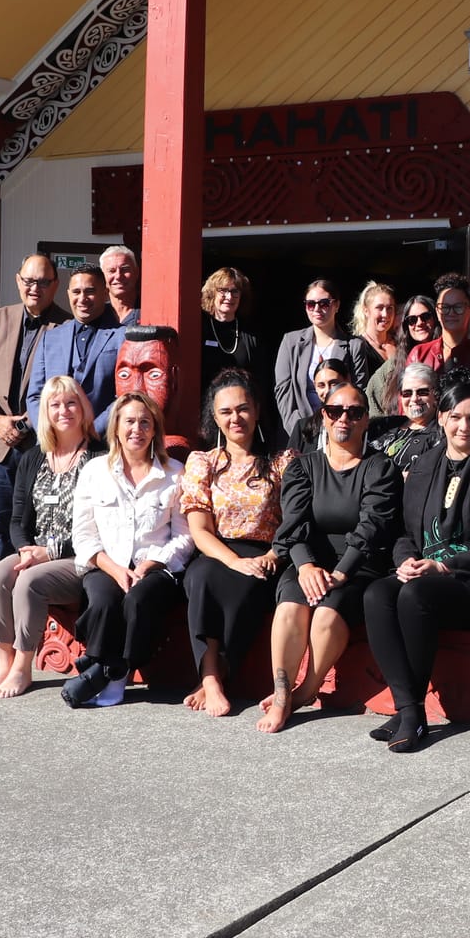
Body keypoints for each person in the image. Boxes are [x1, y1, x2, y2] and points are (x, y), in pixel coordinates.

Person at [365, 374, 470, 751]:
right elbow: (404, 532)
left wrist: (443, 566)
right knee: (376, 594)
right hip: (428, 573)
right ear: (441, 418)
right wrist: (406, 560)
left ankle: (414, 713)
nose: (463, 426)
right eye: (455, 417)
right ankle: (406, 706)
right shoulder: (424, 465)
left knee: (414, 595)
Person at [259, 382, 402, 732]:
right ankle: (281, 695)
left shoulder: (379, 468)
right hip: (309, 560)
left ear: (366, 420)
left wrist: (341, 572)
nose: (344, 419)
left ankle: (306, 689)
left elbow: (373, 525)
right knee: (291, 606)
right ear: (323, 416)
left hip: (357, 564)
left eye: (354, 413)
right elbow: (294, 523)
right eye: (335, 411)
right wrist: (306, 565)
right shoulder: (303, 467)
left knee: (325, 614)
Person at [60, 392, 193, 708]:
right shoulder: (94, 470)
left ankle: (109, 675)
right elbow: (83, 535)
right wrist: (115, 569)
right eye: (130, 421)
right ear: (116, 427)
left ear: (155, 429)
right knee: (105, 601)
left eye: (145, 422)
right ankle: (105, 667)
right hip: (107, 563)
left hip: (157, 567)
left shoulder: (175, 473)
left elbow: (186, 537)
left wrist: (153, 563)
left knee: (137, 601)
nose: (137, 429)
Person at [0, 376, 101, 697]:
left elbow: (102, 523)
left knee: (29, 582)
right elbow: (17, 519)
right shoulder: (33, 457)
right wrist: (26, 551)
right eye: (55, 404)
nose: (64, 410)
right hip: (36, 552)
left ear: (84, 408)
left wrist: (51, 552)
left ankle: (22, 667)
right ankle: (3, 663)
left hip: (84, 556)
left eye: (71, 402)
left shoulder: (100, 456)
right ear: (45, 411)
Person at [178, 369, 293, 718]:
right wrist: (233, 560)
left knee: (247, 584)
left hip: (265, 553)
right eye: (225, 412)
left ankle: (220, 672)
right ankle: (211, 678)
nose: (235, 418)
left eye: (242, 409)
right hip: (217, 550)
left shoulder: (281, 461)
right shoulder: (203, 462)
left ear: (257, 410)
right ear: (215, 418)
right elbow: (199, 529)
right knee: (201, 578)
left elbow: (294, 518)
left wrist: (274, 554)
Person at [0, 255, 68, 562]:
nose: (34, 287)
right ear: (17, 281)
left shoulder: (66, 326)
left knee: (36, 517)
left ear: (55, 285)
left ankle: (31, 588)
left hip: (41, 440)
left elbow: (66, 383)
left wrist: (25, 424)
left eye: (42, 281)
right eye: (28, 280)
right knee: (1, 519)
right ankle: (3, 587)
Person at [273, 278, 378, 446]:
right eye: (311, 304)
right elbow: (284, 391)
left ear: (336, 305)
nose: (317, 309)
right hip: (299, 431)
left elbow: (359, 391)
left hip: (340, 430)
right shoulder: (291, 342)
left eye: (324, 303)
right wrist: (299, 429)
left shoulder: (354, 346)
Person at [25, 266, 123, 435]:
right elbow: (35, 396)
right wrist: (49, 433)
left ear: (106, 293)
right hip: (54, 445)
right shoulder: (50, 338)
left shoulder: (122, 337)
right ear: (68, 294)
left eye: (90, 291)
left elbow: (123, 396)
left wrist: (92, 432)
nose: (82, 298)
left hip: (102, 445)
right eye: (76, 292)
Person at [409, 272, 470, 392]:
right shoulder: (419, 354)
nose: (451, 313)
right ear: (437, 311)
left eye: (458, 307)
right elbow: (407, 402)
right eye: (445, 307)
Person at [201, 267, 266, 405]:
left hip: (241, 407)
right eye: (223, 290)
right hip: (206, 407)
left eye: (234, 291)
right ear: (212, 293)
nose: (229, 297)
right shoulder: (201, 329)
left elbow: (260, 379)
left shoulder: (251, 334)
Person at [367, 360, 441, 469]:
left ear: (436, 395)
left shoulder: (440, 435)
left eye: (422, 392)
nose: (414, 399)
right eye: (407, 393)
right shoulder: (386, 424)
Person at [370, 293, 436, 413]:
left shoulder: (446, 357)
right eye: (412, 320)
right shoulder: (393, 365)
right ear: (406, 326)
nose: (419, 323)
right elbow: (372, 393)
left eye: (425, 316)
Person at [351, 280, 400, 374]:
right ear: (366, 311)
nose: (385, 314)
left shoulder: (399, 344)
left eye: (390, 308)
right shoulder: (356, 347)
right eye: (379, 308)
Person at [101, 244, 140, 324]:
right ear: (102, 277)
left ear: (136, 272)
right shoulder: (97, 316)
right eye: (112, 271)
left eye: (125, 269)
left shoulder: (150, 312)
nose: (118, 276)